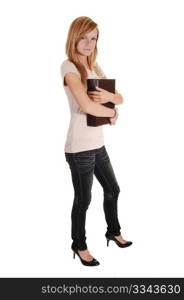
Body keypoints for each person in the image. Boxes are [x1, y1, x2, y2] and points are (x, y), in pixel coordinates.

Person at [60, 16, 132, 267]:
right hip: (79, 147)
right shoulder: (69, 68)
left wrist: (112, 99)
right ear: (74, 37)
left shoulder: (94, 66)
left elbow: (119, 97)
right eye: (84, 37)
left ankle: (113, 231)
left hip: (97, 143)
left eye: (94, 38)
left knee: (113, 189)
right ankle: (78, 244)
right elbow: (87, 105)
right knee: (84, 200)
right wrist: (111, 112)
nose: (89, 43)